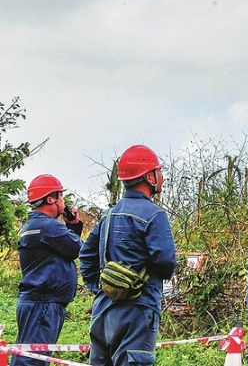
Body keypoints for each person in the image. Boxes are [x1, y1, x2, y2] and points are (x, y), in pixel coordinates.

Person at [80, 144, 177, 366]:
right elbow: (166, 263)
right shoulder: (155, 215)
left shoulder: (109, 215)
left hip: (103, 311)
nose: (161, 176)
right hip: (138, 312)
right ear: (149, 176)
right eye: (158, 171)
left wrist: (103, 289)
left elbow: (86, 255)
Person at [13, 175, 84, 366]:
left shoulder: (32, 225)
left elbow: (67, 250)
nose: (63, 202)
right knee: (32, 361)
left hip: (36, 302)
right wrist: (74, 226)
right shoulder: (48, 226)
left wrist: (71, 228)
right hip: (43, 305)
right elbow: (79, 249)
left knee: (29, 357)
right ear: (51, 198)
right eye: (61, 196)